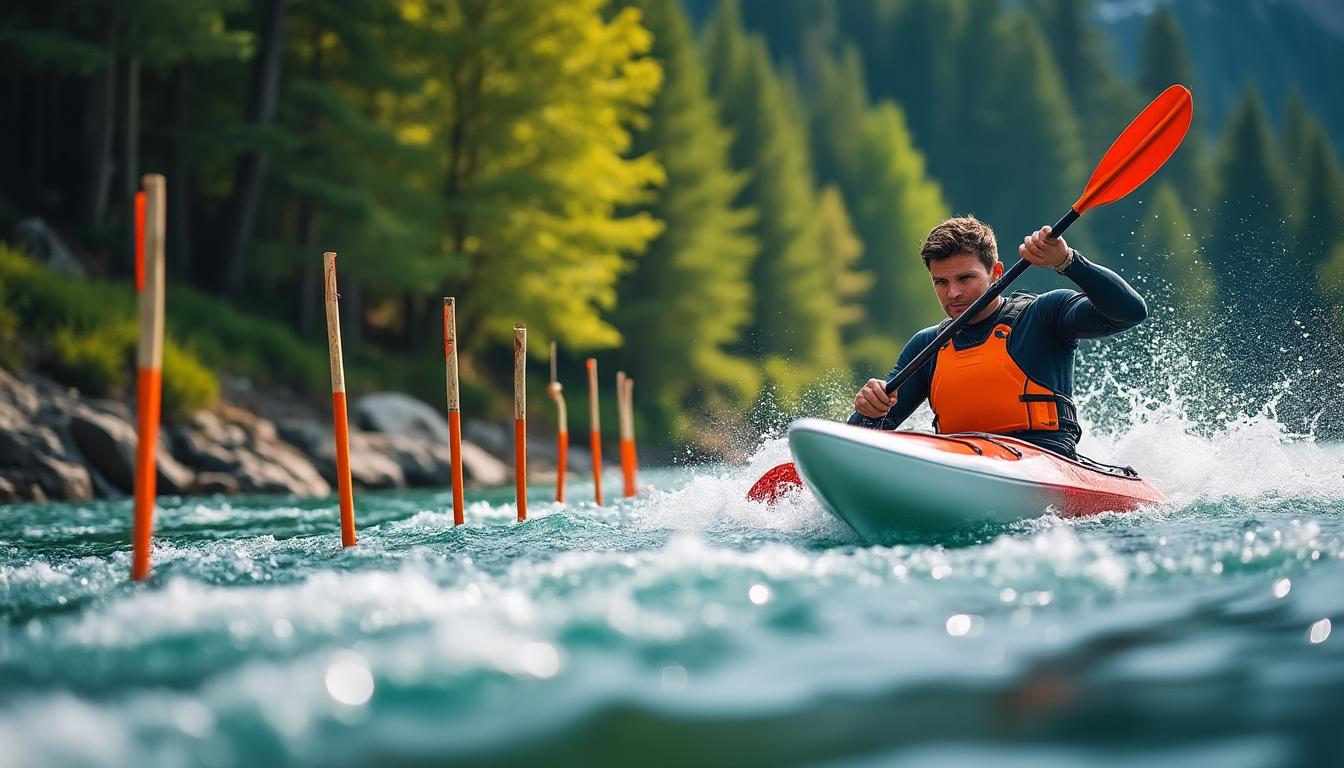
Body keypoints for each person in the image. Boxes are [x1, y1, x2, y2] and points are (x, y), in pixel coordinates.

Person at [848, 215, 1146, 459]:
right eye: (941, 282)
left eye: (965, 278)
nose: (953, 293)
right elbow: (859, 442)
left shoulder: (1044, 315)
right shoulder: (927, 345)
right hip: (961, 467)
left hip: (1045, 461)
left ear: (996, 273)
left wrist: (1067, 261)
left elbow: (1130, 312)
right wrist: (870, 409)